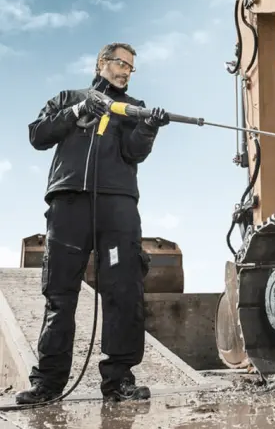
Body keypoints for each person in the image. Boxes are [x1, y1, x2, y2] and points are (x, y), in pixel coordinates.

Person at [15, 42, 170, 404]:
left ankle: (118, 381)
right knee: (59, 294)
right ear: (102, 62)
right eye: (121, 63)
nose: (126, 71)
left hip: (117, 207)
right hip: (69, 204)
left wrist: (149, 126)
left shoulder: (133, 108)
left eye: (131, 67)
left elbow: (133, 151)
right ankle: (48, 384)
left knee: (123, 290)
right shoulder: (67, 98)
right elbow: (38, 134)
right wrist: (78, 110)